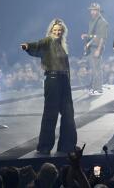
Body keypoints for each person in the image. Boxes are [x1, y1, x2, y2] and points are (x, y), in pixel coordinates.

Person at [21, 18, 77, 155]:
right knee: (50, 114)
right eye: (55, 30)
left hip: (64, 80)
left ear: (62, 31)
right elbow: (37, 44)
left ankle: (67, 146)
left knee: (68, 113)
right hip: (52, 80)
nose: (57, 32)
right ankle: (44, 146)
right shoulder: (48, 41)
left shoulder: (62, 45)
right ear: (51, 31)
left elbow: (66, 65)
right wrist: (27, 46)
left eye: (59, 30)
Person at [81, 3, 108, 95]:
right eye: (91, 10)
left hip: (97, 47)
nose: (91, 12)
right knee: (93, 68)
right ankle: (93, 87)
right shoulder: (92, 21)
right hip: (91, 47)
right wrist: (87, 37)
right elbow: (94, 35)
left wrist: (98, 50)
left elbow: (102, 37)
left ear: (98, 11)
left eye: (94, 10)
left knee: (97, 68)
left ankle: (99, 89)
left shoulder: (102, 22)